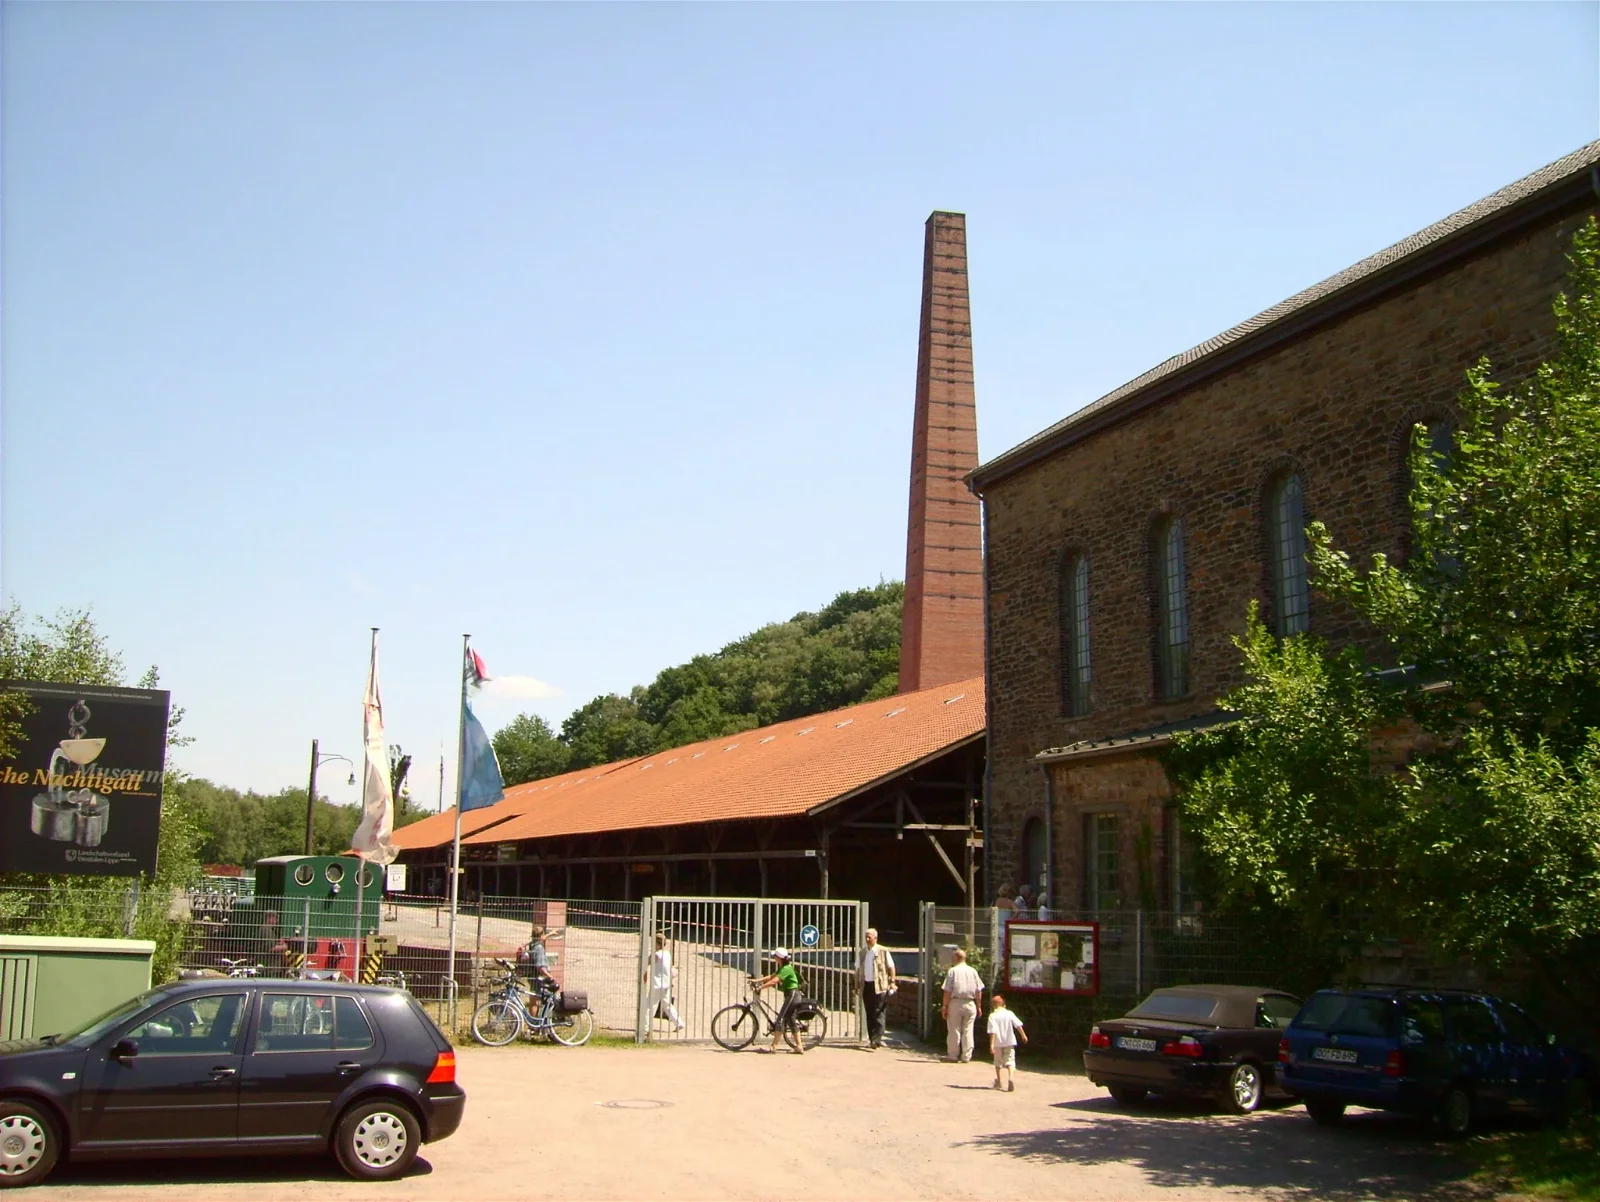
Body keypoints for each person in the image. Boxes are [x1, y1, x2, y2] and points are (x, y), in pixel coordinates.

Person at [751, 947, 806, 1054]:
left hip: (792, 995)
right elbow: (771, 976)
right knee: (790, 1020)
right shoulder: (783, 967)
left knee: (780, 1019)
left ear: (778, 958)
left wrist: (760, 987)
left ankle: (773, 1046)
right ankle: (799, 1047)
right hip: (791, 995)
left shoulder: (786, 969)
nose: (774, 958)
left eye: (775, 956)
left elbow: (774, 981)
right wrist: (757, 980)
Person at [855, 927, 897, 1051]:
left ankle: (876, 1040)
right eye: (866, 937)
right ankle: (872, 1038)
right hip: (866, 985)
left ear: (875, 938)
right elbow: (857, 970)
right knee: (869, 1012)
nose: (867, 939)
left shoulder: (883, 951)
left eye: (869, 937)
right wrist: (856, 985)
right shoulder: (862, 953)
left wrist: (892, 981)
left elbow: (891, 967)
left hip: (880, 986)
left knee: (879, 1012)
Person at [941, 947, 985, 1062]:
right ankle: (966, 1056)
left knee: (954, 1029)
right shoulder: (973, 971)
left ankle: (953, 1055)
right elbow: (978, 991)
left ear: (956, 957)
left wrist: (945, 1006)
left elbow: (948, 991)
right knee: (968, 1030)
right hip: (970, 1002)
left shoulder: (953, 971)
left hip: (956, 1001)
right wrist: (979, 1006)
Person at [644, 932, 685, 1033]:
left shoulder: (657, 955)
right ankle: (679, 1023)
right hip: (666, 983)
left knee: (650, 1006)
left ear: (657, 944)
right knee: (667, 1005)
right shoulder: (667, 954)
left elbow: (647, 962)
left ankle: (645, 1027)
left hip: (657, 984)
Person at [987, 994, 1027, 1092]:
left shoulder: (992, 1016)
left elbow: (992, 1031)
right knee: (1010, 1060)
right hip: (1009, 1041)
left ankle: (999, 1082)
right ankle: (1011, 1078)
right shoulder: (1009, 1013)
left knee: (998, 1062)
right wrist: (1023, 1035)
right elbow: (1018, 1025)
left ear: (993, 1005)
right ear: (1003, 1004)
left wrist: (991, 1044)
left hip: (998, 1042)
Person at [517, 925, 556, 994]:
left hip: (531, 976)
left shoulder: (532, 944)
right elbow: (540, 967)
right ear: (541, 935)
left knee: (535, 998)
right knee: (535, 1000)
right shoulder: (539, 948)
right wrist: (551, 977)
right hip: (538, 977)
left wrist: (551, 933)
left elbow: (542, 938)